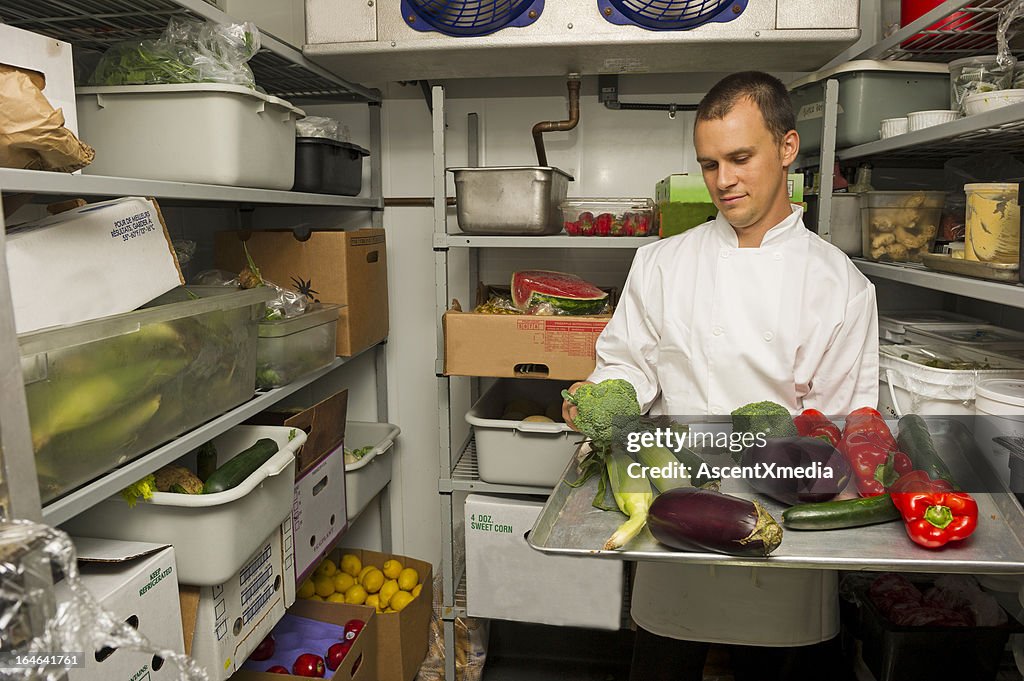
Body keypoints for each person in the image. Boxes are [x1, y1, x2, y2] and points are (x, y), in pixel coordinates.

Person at [562, 71, 878, 681]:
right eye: (709, 164)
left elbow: (839, 433)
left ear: (788, 148)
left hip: (782, 539)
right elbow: (627, 362)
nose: (723, 181)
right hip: (673, 520)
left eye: (740, 158)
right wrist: (605, 396)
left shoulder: (840, 287)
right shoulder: (659, 263)